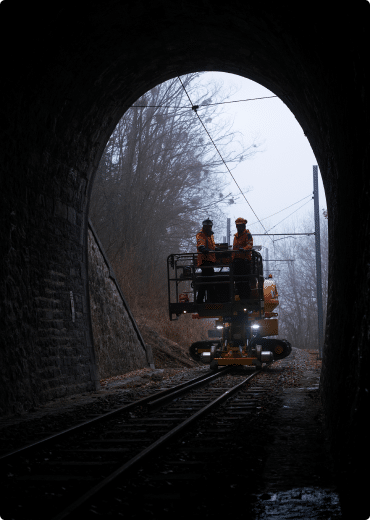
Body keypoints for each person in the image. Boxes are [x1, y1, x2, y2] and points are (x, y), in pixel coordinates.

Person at [195, 218, 218, 303]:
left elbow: (212, 246)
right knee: (208, 280)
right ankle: (210, 299)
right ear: (204, 226)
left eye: (209, 226)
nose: (208, 228)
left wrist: (217, 249)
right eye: (206, 226)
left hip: (210, 260)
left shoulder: (210, 236)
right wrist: (202, 248)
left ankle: (202, 299)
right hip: (205, 260)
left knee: (206, 280)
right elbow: (200, 243)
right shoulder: (201, 234)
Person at [232, 217, 253, 299]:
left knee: (244, 281)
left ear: (244, 226)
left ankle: (246, 298)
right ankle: (241, 297)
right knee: (238, 281)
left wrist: (243, 249)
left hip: (244, 261)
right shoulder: (236, 236)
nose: (239, 227)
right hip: (236, 261)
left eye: (241, 226)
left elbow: (250, 245)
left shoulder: (247, 234)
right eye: (238, 226)